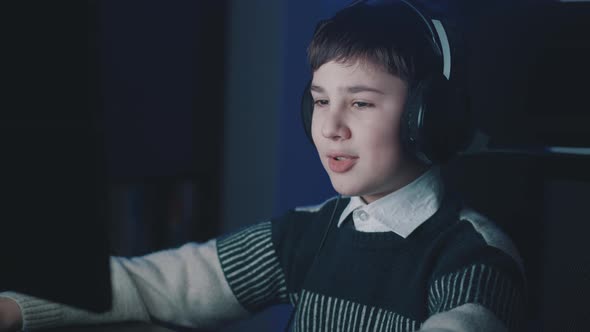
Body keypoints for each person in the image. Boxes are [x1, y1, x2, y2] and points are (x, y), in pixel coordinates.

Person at [0, 1, 526, 331]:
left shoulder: (473, 255)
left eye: (361, 103)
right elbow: (161, 284)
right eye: (320, 101)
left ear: (426, 119)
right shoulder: (308, 232)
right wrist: (17, 307)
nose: (331, 127)